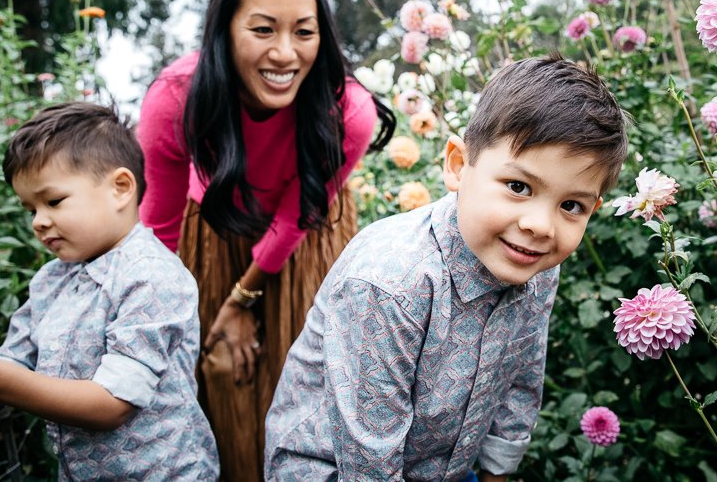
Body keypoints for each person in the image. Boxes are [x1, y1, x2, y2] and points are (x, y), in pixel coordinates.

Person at [265, 54, 629, 481]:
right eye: (518, 187)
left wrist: (497, 473)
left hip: (445, 468)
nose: (540, 225)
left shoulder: (537, 264)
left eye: (571, 206)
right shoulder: (390, 284)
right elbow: (368, 462)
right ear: (458, 165)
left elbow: (521, 382)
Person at [137, 0, 394, 479]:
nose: (285, 53)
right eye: (262, 30)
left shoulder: (349, 111)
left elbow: (297, 214)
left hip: (308, 235)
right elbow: (158, 228)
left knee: (304, 388)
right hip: (208, 230)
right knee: (224, 379)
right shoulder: (175, 99)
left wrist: (241, 300)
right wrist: (148, 322)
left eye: (304, 31)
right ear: (223, 31)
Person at [0, 102, 219, 480]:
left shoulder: (153, 278)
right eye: (30, 209)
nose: (39, 222)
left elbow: (112, 404)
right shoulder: (51, 280)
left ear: (120, 188)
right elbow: (13, 365)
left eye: (53, 201)